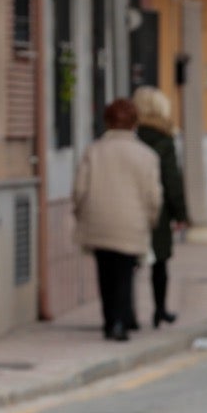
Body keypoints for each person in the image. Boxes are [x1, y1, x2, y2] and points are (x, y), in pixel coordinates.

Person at [72, 98, 161, 343]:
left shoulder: (94, 151)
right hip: (132, 221)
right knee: (125, 271)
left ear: (108, 122)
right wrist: (151, 219)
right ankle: (121, 321)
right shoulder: (146, 155)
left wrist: (80, 213)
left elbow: (80, 189)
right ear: (134, 123)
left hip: (99, 219)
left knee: (105, 272)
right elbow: (153, 195)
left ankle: (110, 320)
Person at [133, 86, 190, 330]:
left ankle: (129, 314)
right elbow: (171, 179)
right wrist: (180, 214)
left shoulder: (131, 136)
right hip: (158, 208)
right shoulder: (164, 140)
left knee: (130, 263)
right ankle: (159, 309)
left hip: (131, 205)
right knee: (160, 262)